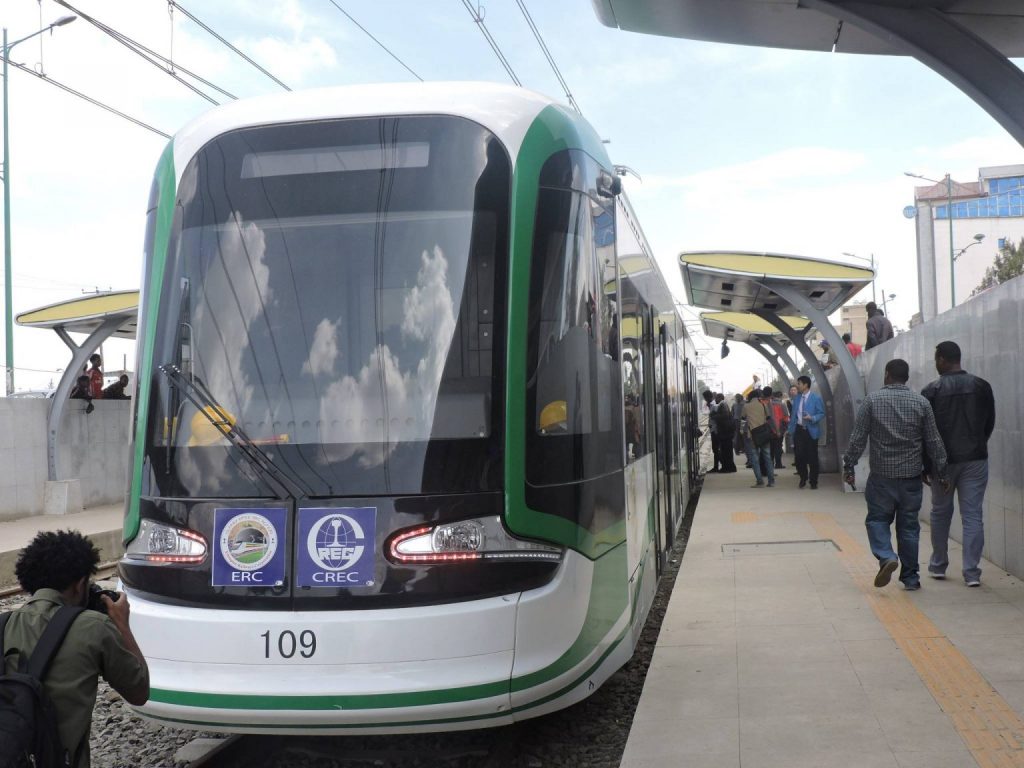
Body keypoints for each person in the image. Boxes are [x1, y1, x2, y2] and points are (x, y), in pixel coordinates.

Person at [2, 530, 149, 768]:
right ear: (80, 584)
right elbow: (139, 691)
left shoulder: (3, 624)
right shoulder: (94, 627)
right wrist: (121, 624)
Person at [843, 359, 949, 591]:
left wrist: (849, 466)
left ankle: (886, 556)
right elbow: (933, 441)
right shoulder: (921, 403)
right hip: (911, 478)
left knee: (877, 520)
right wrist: (941, 471)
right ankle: (911, 578)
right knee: (909, 527)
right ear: (906, 377)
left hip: (882, 478)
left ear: (887, 374)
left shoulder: (872, 401)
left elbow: (858, 438)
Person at [921, 340, 996, 586]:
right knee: (972, 515)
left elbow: (925, 432)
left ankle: (938, 565)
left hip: (942, 463)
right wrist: (978, 443)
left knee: (940, 513)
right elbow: (989, 422)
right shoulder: (981, 386)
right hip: (975, 459)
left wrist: (926, 464)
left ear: (942, 359)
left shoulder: (931, 391)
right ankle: (972, 573)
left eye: (936, 360)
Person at [788, 375, 825, 489]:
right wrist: (790, 429)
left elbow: (821, 413)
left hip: (811, 430)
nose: (797, 386)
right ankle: (803, 477)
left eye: (799, 384)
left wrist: (812, 418)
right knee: (799, 456)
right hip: (799, 430)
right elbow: (793, 415)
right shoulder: (797, 398)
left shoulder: (816, 398)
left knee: (812, 457)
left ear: (805, 385)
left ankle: (813, 481)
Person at [742, 389, 776, 487]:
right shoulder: (763, 404)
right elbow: (768, 417)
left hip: (752, 435)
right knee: (768, 458)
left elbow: (743, 417)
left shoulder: (746, 406)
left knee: (755, 460)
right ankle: (771, 481)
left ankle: (760, 481)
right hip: (764, 435)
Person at [712, 393, 737, 472]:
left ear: (720, 398)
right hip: (727, 433)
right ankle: (730, 467)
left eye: (716, 398)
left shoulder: (723, 405)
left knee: (726, 451)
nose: (715, 399)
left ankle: (727, 468)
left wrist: (714, 416)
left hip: (725, 433)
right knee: (727, 451)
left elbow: (724, 417)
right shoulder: (724, 405)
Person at [702, 390, 721, 473]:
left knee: (716, 449)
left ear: (708, 397)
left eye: (705, 398)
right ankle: (717, 466)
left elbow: (716, 418)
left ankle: (716, 467)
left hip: (715, 430)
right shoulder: (712, 405)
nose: (705, 400)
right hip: (714, 429)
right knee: (715, 449)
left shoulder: (713, 405)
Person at [769, 388, 789, 469]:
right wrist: (785, 428)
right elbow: (786, 417)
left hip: (770, 429)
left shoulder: (769, 405)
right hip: (780, 429)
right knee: (778, 446)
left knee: (771, 447)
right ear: (780, 396)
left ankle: (770, 464)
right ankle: (778, 464)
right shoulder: (782, 404)